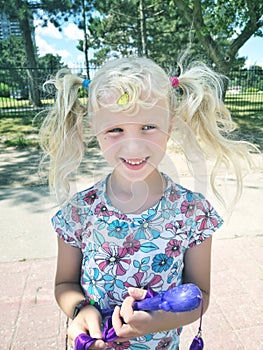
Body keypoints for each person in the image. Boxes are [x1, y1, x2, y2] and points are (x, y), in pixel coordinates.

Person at [39, 57, 256, 350]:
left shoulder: (192, 212)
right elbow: (64, 284)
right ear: (94, 128)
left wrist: (159, 320)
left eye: (148, 126)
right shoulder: (78, 211)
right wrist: (80, 310)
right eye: (115, 130)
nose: (133, 146)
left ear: (171, 124)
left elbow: (199, 294)